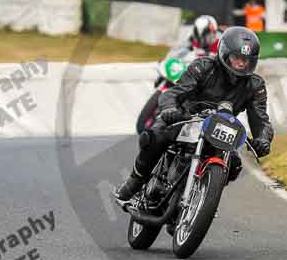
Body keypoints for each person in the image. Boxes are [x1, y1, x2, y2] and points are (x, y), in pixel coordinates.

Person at [116, 26, 274, 202]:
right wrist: (170, 109)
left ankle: (199, 198)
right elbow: (174, 92)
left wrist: (263, 139)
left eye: (246, 60)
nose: (241, 64)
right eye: (237, 58)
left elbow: (261, 119)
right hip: (186, 118)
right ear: (225, 53)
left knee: (234, 165)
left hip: (218, 127)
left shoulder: (255, 85)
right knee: (155, 136)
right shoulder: (203, 67)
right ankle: (135, 181)